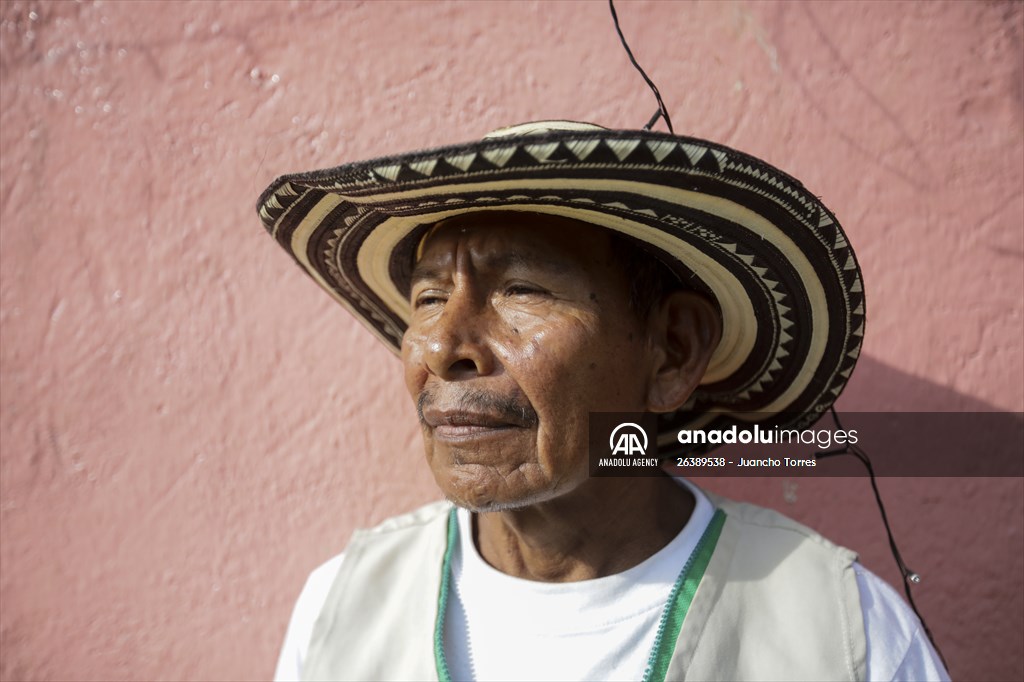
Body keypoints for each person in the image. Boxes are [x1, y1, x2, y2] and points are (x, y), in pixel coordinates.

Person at [258, 121, 950, 681]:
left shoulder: (836, 630)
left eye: (522, 290)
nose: (444, 347)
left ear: (674, 350)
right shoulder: (344, 609)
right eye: (430, 297)